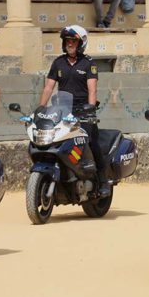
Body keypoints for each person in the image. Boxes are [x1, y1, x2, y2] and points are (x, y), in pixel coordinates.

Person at [38, 26, 110, 197]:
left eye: (73, 41)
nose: (69, 44)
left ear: (81, 43)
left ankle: (103, 179)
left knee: (92, 141)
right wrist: (40, 108)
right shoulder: (58, 62)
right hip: (62, 109)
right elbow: (49, 87)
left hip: (83, 110)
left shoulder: (88, 63)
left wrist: (90, 110)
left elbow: (92, 89)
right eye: (67, 41)